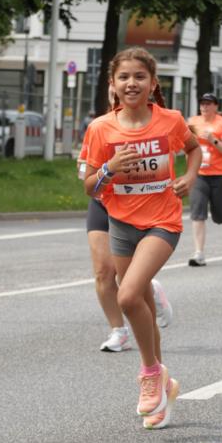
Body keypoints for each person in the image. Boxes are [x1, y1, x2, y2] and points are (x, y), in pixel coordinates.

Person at [84, 47, 201, 430]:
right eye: (123, 77)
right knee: (144, 304)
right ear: (113, 86)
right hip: (121, 224)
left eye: (139, 77)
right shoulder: (101, 128)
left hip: (162, 222)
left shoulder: (169, 121)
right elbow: (89, 186)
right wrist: (108, 169)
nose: (131, 83)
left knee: (129, 295)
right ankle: (164, 388)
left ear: (153, 83)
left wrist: (190, 176)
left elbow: (194, 148)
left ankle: (150, 373)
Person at [78, 111, 173, 353]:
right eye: (118, 83)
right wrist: (107, 168)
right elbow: (84, 175)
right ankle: (118, 331)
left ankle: (149, 288)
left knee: (128, 280)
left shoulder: (153, 121)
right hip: (102, 202)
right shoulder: (99, 127)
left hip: (136, 205)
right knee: (103, 271)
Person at [187, 93, 222, 267]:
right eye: (202, 103)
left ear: (216, 106)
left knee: (218, 215)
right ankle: (199, 253)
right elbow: (184, 143)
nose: (204, 107)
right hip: (199, 173)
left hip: (221, 174)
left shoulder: (221, 124)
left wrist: (213, 140)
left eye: (209, 104)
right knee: (197, 212)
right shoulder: (193, 121)